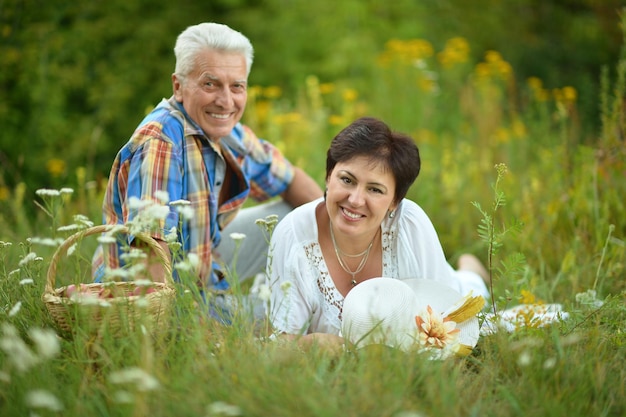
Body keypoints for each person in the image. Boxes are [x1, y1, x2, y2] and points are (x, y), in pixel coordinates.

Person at [91, 22, 323, 295]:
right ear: (178, 86)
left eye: (237, 86)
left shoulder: (227, 132)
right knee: (278, 320)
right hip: (140, 291)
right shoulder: (161, 142)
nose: (226, 101)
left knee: (301, 217)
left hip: (199, 262)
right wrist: (189, 325)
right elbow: (148, 251)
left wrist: (342, 237)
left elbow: (289, 178)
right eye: (210, 84)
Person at [267, 116, 489, 350]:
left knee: (467, 293)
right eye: (347, 180)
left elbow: (445, 320)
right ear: (328, 177)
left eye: (374, 189)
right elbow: (282, 341)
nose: (355, 200)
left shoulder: (410, 225)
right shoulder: (293, 235)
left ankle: (471, 271)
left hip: (445, 283)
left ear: (394, 201)